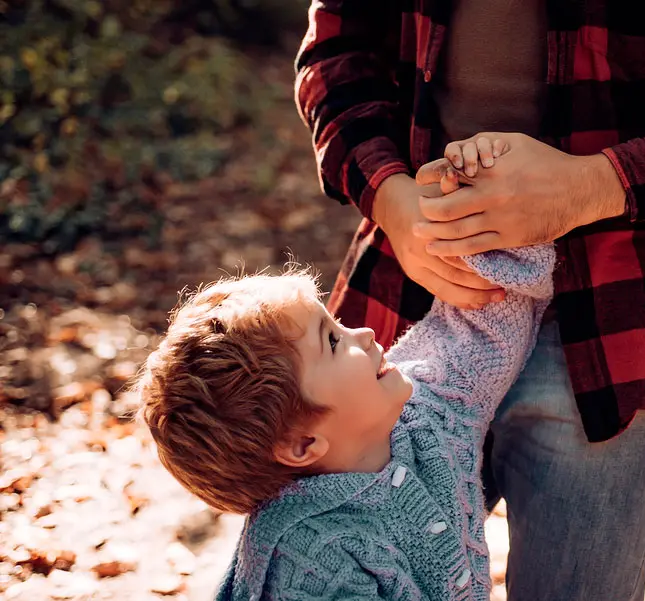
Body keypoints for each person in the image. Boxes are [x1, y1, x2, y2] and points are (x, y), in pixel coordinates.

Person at [294, 1, 645, 599]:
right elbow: (337, 48)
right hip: (413, 290)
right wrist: (388, 194)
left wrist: (597, 185)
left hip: (619, 315)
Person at [135, 141, 554, 600]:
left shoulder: (428, 416)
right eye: (333, 341)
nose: (365, 334)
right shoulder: (310, 561)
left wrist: (484, 208)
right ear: (303, 444)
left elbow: (478, 333)